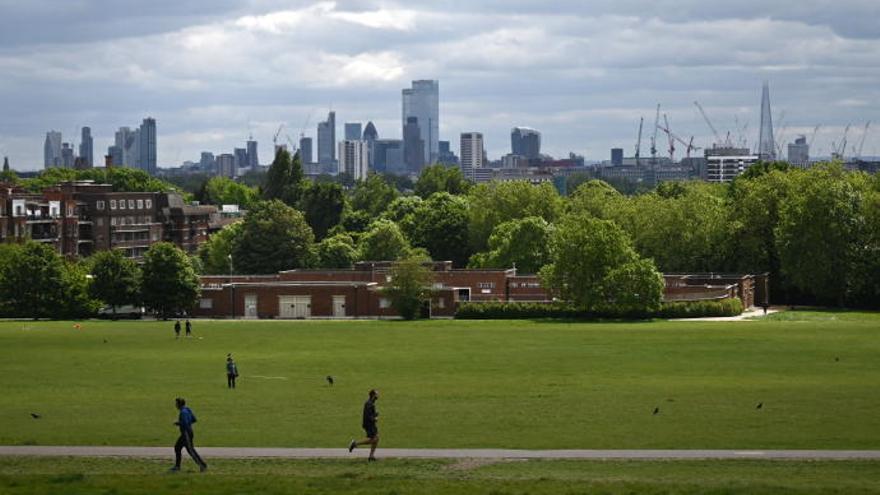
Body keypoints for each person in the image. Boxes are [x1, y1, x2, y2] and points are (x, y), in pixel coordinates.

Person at [170, 397, 207, 472]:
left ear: (179, 404)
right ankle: (177, 466)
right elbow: (194, 419)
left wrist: (178, 423)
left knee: (191, 451)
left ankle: (202, 465)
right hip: (188, 432)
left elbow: (185, 423)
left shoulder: (182, 412)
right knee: (177, 447)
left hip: (186, 433)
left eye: (176, 403)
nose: (175, 405)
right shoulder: (187, 409)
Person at [348, 389, 380, 461]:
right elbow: (367, 416)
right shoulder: (369, 403)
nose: (378, 395)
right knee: (374, 439)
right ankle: (355, 443)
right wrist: (374, 419)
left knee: (376, 438)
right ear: (373, 395)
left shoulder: (371, 402)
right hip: (369, 424)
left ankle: (371, 456)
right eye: (377, 394)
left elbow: (370, 414)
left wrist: (375, 414)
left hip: (371, 424)